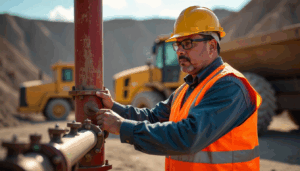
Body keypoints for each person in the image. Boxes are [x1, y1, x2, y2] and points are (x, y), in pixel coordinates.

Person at [96, 6, 261, 171]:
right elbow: (153, 117)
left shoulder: (229, 86)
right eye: (177, 44)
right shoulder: (186, 89)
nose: (180, 51)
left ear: (212, 46)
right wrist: (113, 107)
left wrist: (122, 126)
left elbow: (188, 137)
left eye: (187, 43)